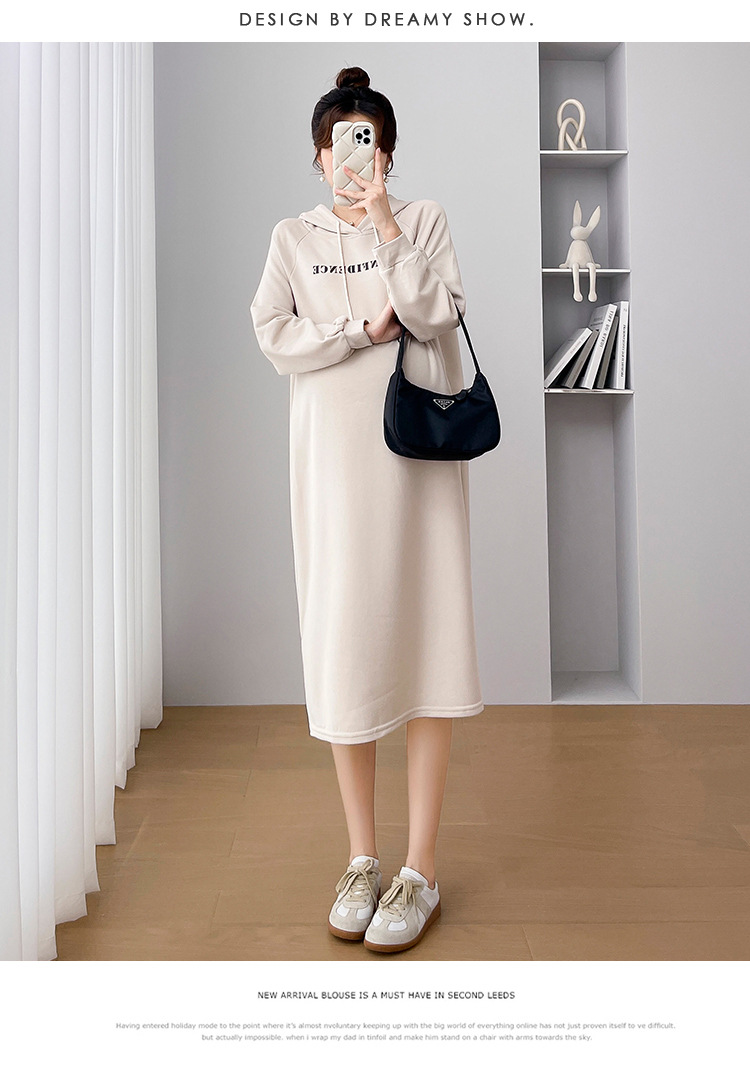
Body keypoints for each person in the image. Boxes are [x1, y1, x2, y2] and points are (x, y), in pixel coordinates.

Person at [250, 66, 484, 954]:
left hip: (415, 466)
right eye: (339, 146)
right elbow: (273, 334)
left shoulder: (421, 221)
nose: (352, 159)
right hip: (332, 473)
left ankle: (420, 868)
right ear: (318, 156)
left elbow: (437, 316)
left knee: (426, 643)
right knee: (346, 652)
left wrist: (385, 220)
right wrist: (354, 333)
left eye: (368, 145)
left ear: (387, 152)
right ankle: (361, 856)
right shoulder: (291, 238)